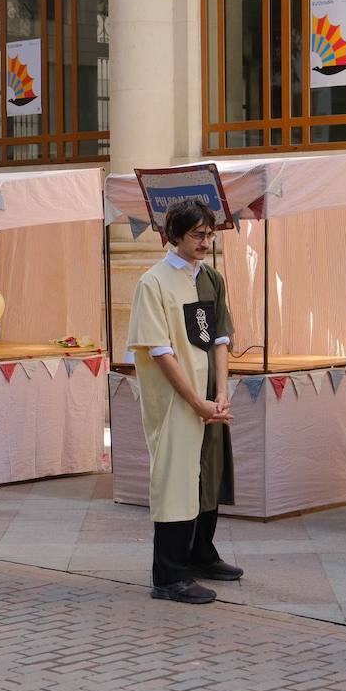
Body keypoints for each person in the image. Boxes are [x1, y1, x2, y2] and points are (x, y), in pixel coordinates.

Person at [126, 199, 243, 605]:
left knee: (209, 474)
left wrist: (221, 392)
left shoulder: (210, 278)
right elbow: (159, 350)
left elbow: (220, 339)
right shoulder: (153, 282)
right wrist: (195, 400)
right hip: (178, 401)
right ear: (173, 235)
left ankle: (201, 555)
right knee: (176, 481)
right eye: (197, 234)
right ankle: (169, 576)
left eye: (209, 234)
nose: (205, 241)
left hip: (209, 398)